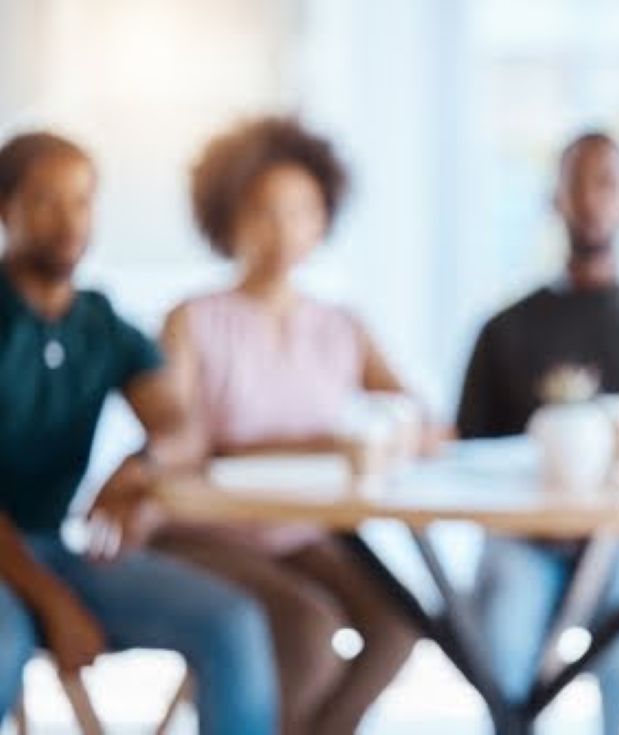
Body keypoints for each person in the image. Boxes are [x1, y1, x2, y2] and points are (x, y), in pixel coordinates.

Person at [0, 131, 277, 734]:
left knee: (233, 623)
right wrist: (51, 600)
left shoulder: (98, 322)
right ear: (6, 209)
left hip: (56, 547)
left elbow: (182, 423)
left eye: (82, 200)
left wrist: (142, 464)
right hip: (10, 560)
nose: (69, 220)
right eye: (47, 199)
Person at [150, 117, 420, 735]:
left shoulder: (341, 325)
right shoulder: (193, 320)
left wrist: (393, 433)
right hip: (203, 530)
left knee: (398, 625)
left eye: (301, 211)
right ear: (228, 217)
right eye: (264, 211)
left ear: (324, 218)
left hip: (300, 532)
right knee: (308, 627)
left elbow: (420, 417)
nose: (283, 230)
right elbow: (180, 441)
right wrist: (315, 445)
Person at [457, 131, 619, 735]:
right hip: (523, 540)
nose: (591, 199)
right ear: (555, 199)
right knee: (504, 650)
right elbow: (467, 455)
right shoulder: (502, 331)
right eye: (576, 182)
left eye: (607, 182)